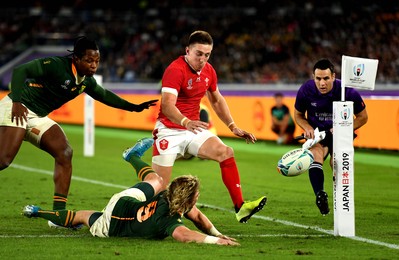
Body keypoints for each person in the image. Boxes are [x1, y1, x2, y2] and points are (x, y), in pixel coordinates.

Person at [0, 36, 158, 217]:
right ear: (76, 58)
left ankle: (59, 214)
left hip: (38, 116)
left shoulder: (86, 81)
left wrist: (133, 107)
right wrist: (18, 102)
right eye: (89, 60)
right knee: (3, 160)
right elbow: (21, 70)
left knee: (65, 152)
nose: (94, 65)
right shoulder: (56, 65)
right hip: (17, 107)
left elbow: (104, 95)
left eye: (97, 61)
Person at [22, 138, 239, 246]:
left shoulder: (167, 194)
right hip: (112, 227)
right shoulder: (170, 221)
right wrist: (216, 240)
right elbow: (184, 234)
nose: (198, 198)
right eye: (196, 195)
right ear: (188, 200)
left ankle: (131, 157)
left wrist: (217, 235)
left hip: (124, 203)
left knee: (156, 179)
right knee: (82, 216)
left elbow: (198, 216)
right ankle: (36, 211)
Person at [151, 30, 267, 223]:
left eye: (207, 55)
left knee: (226, 152)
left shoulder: (209, 71)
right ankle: (143, 216)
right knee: (158, 187)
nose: (203, 59)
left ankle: (240, 207)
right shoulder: (175, 69)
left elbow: (217, 100)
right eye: (199, 54)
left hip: (192, 129)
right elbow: (167, 105)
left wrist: (233, 126)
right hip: (169, 131)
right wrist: (186, 121)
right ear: (187, 50)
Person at [293, 59, 368, 215]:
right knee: (315, 155)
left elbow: (363, 117)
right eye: (318, 78)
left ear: (333, 76)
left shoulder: (347, 92)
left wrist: (344, 127)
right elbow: (298, 115)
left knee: (337, 162)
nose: (322, 83)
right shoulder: (306, 90)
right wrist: (307, 128)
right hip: (318, 133)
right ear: (313, 77)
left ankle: (342, 203)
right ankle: (320, 195)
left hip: (340, 134)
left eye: (326, 78)